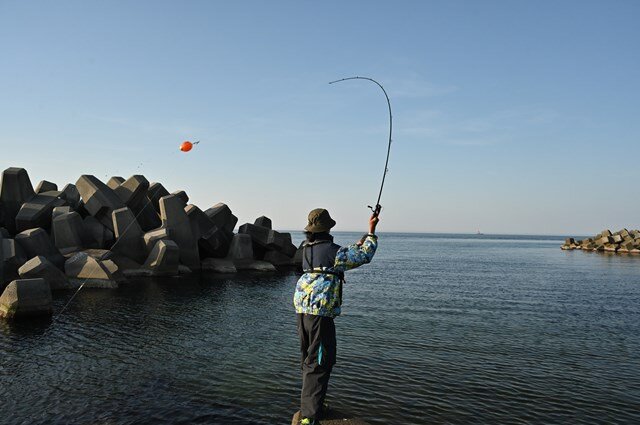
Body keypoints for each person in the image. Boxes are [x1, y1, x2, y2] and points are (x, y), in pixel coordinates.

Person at [294, 208, 379, 425]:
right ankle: (309, 416)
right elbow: (363, 256)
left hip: (303, 309)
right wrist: (371, 231)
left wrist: (355, 245)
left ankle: (312, 405)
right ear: (329, 227)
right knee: (320, 360)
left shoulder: (305, 248)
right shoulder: (333, 252)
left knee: (309, 358)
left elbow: (334, 256)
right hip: (320, 313)